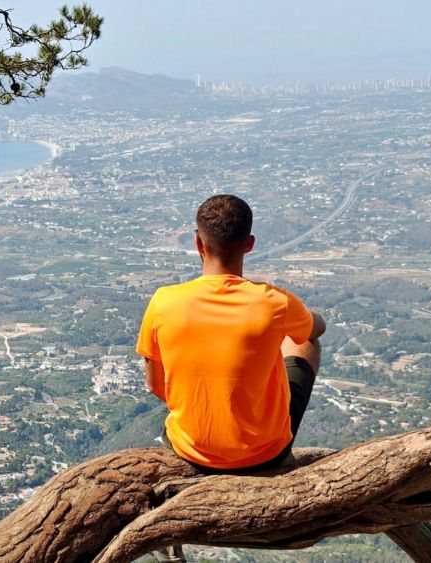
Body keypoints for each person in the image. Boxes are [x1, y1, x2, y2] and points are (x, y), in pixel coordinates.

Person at [136, 195, 326, 561]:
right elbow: (314, 329)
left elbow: (155, 385)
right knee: (305, 343)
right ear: (249, 244)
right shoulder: (274, 301)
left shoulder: (163, 302)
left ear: (197, 243)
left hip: (189, 448)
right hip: (265, 453)